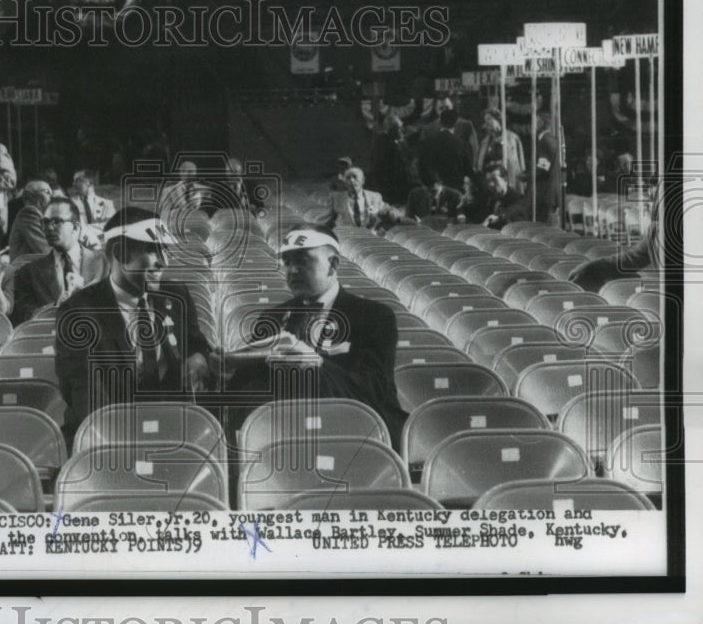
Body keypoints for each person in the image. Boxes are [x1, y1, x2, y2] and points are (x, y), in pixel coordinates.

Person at [221, 224, 407, 447]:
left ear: (333, 264)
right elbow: (249, 384)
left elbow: (372, 391)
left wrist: (314, 363)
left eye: (302, 260)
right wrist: (227, 372)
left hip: (356, 438)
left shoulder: (374, 316)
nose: (292, 270)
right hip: (289, 437)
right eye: (287, 262)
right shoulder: (273, 317)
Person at [54, 207, 212, 442]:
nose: (164, 262)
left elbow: (197, 344)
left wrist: (198, 356)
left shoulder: (176, 296)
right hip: (109, 438)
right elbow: (87, 395)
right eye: (153, 250)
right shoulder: (78, 313)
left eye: (165, 251)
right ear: (120, 253)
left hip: (173, 429)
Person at [7, 196, 109, 325]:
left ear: (76, 228)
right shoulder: (29, 272)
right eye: (45, 222)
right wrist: (55, 308)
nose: (49, 228)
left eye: (56, 221)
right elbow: (22, 317)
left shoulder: (104, 263)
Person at [569, 185, 662, 291]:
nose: (645, 205)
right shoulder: (655, 232)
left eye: (652, 199)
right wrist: (592, 267)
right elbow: (631, 259)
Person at [420, 107, 473, 190]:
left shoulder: (427, 142)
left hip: (434, 188)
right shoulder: (462, 144)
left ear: (440, 122)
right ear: (456, 124)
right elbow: (468, 169)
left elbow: (422, 166)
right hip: (456, 188)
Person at [476, 107, 526, 192]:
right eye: (485, 120)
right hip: (489, 179)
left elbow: (514, 161)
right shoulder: (485, 142)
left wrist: (499, 172)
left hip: (506, 177)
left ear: (498, 119)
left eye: (489, 119)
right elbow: (481, 163)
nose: (486, 123)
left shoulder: (511, 138)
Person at [7, 179, 54, 260]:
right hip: (26, 270)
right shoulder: (29, 213)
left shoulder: (41, 216)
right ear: (31, 196)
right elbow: (45, 250)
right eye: (47, 192)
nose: (52, 196)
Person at [480, 163, 529, 229]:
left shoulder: (518, 198)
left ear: (505, 180)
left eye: (494, 180)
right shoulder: (489, 197)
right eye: (488, 181)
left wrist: (498, 217)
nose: (491, 184)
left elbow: (512, 211)